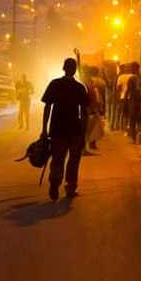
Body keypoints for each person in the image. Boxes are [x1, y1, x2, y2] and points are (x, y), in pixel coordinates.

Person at [41, 58, 89, 200]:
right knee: (74, 160)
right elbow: (84, 113)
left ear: (63, 68)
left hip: (57, 129)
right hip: (75, 130)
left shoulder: (55, 84)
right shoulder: (79, 87)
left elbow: (47, 107)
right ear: (75, 70)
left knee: (57, 159)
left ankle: (55, 183)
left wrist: (44, 129)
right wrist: (84, 133)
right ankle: (70, 187)